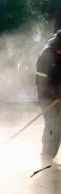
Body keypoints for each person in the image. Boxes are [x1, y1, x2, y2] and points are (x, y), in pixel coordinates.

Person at [36, 30, 61, 163]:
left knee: (59, 128)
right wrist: (55, 93)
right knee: (53, 127)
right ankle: (46, 157)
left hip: (58, 96)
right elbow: (40, 82)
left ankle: (50, 158)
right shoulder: (45, 57)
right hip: (46, 97)